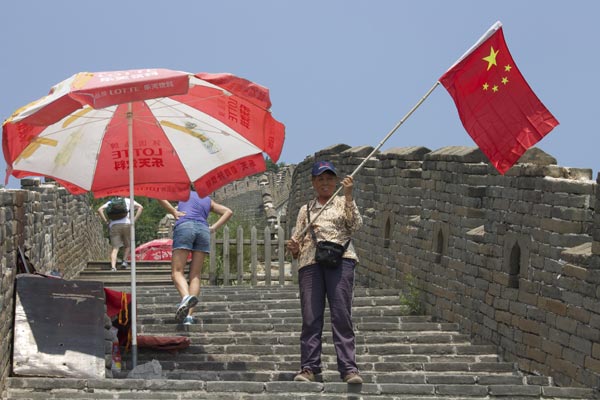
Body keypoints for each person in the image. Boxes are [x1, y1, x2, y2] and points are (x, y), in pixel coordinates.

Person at [286, 161, 364, 384]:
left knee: (341, 315)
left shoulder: (342, 202)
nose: (325, 183)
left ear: (336, 180)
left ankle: (349, 369)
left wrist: (349, 196)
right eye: (320, 179)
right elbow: (297, 244)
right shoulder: (306, 209)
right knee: (311, 317)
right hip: (310, 262)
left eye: (329, 178)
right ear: (313, 182)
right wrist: (294, 248)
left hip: (342, 261)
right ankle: (309, 367)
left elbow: (356, 225)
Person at [158, 191, 232, 325]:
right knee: (195, 275)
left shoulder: (183, 194)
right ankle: (189, 317)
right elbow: (228, 211)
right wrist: (214, 227)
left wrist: (174, 212)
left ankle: (186, 297)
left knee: (177, 272)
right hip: (203, 230)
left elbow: (159, 195)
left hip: (185, 226)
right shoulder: (207, 199)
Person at [97, 197, 144, 272]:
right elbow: (141, 207)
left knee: (115, 248)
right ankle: (124, 261)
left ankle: (113, 267)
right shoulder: (128, 200)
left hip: (114, 225)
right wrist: (134, 220)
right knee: (128, 245)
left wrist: (106, 221)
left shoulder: (111, 202)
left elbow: (99, 209)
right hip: (127, 224)